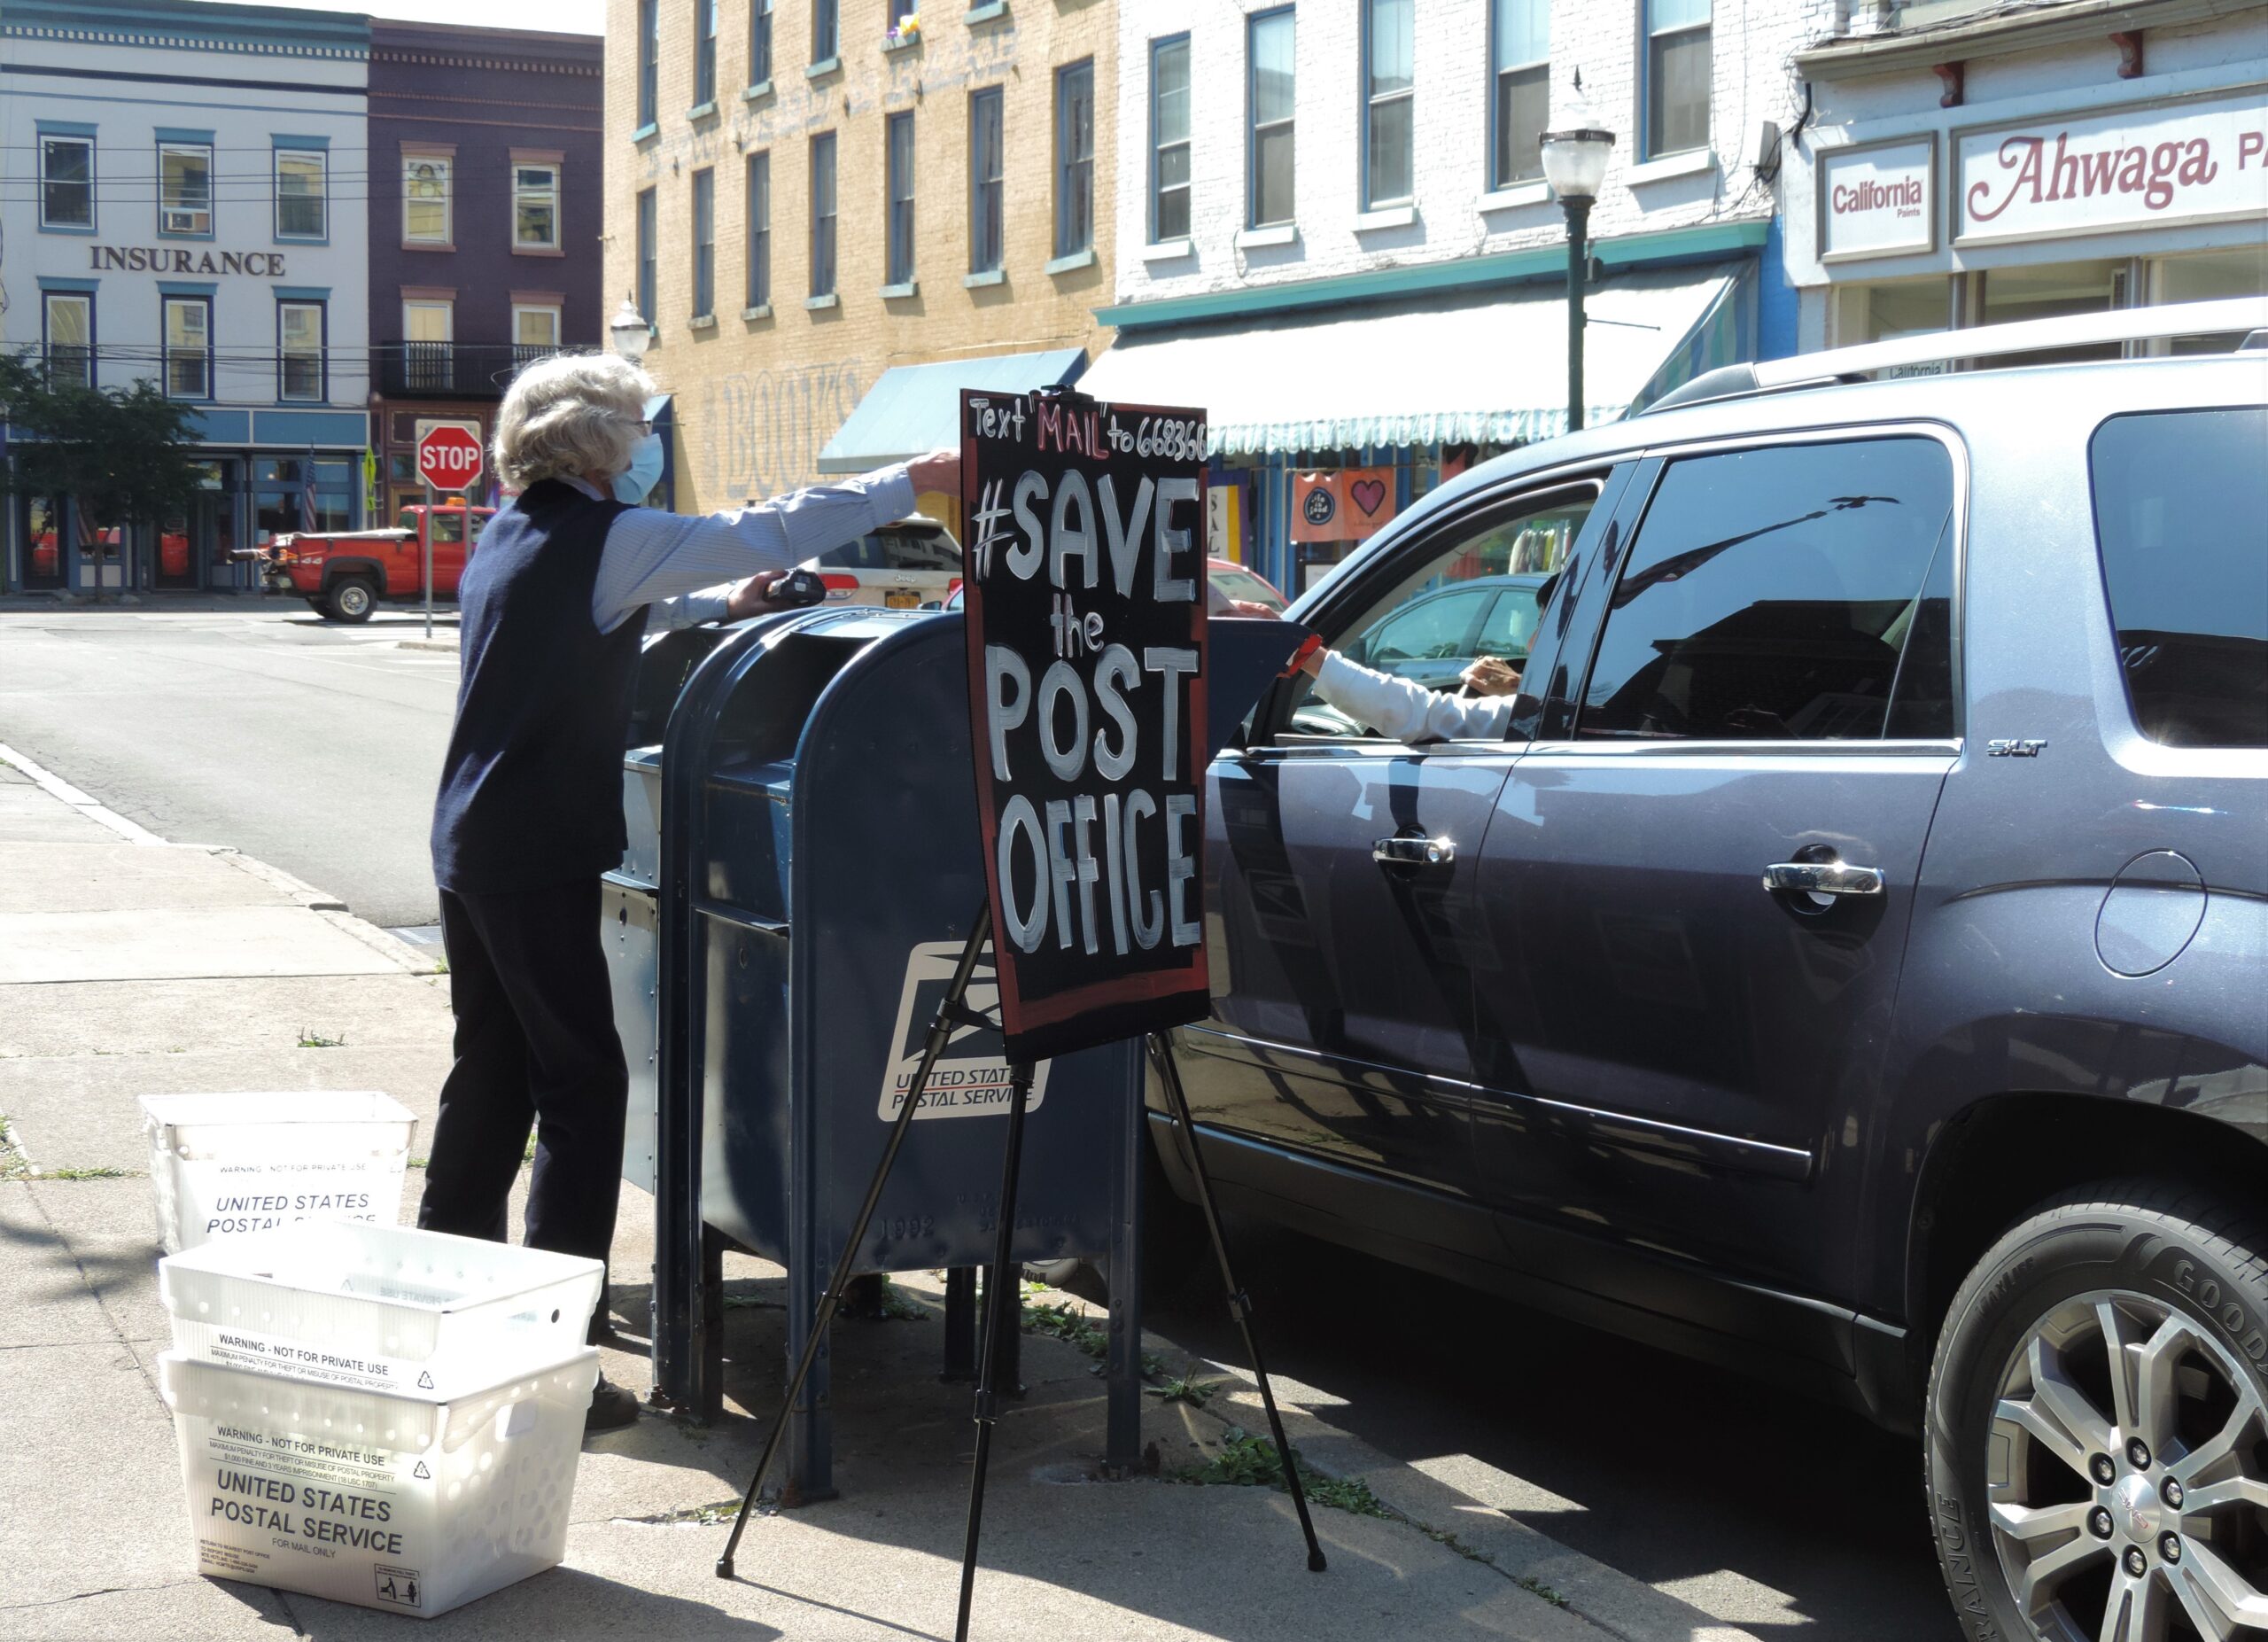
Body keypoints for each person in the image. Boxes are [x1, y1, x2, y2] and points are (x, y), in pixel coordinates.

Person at [420, 351, 957, 1432]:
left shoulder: (509, 531)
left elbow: (608, 613)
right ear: (597, 440)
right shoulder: (609, 536)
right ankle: (546, 1364)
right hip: (538, 848)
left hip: (469, 841)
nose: (647, 437)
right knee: (582, 1089)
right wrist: (918, 477)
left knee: (490, 1072)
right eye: (636, 421)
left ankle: (446, 1310)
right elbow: (771, 525)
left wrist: (719, 602)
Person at [1293, 643, 1525, 741]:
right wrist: (1521, 687)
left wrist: (1307, 653)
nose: (1533, 641)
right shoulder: (1544, 708)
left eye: (1541, 621)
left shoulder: (1543, 712)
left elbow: (1423, 715)